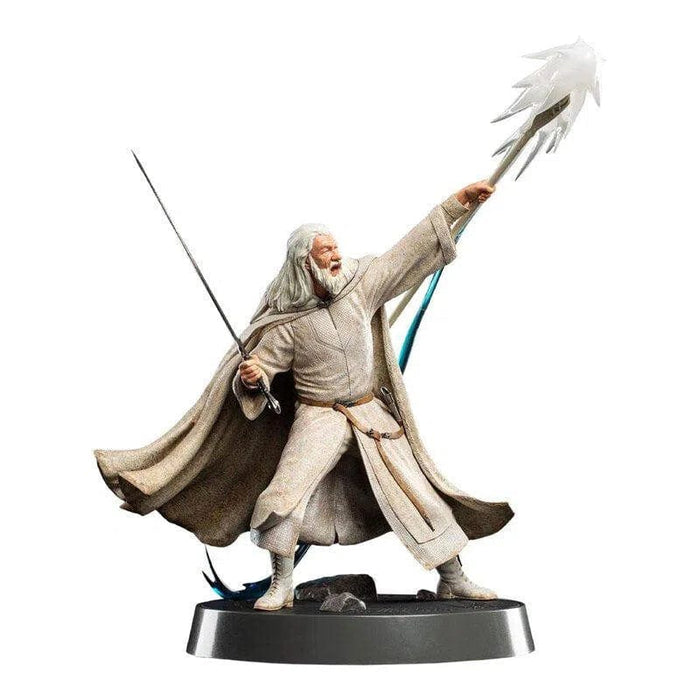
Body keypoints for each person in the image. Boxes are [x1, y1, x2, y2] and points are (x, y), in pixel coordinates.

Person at [95, 181, 513, 611]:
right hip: (319, 417)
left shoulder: (361, 286)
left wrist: (456, 204)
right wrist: (253, 376)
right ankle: (282, 583)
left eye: (335, 247)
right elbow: (262, 368)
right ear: (304, 263)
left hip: (371, 416)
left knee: (418, 494)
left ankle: (453, 578)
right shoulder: (288, 322)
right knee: (282, 497)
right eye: (325, 251)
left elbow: (407, 252)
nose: (336, 256)